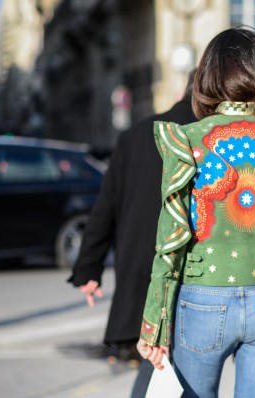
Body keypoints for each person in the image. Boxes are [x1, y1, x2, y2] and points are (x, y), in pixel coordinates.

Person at [135, 27, 255, 398]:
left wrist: (153, 323)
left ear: (208, 76)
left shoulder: (187, 140)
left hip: (205, 298)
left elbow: (171, 241)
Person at [68, 70, 198, 398]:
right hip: (191, 270)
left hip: (140, 268)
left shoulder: (137, 133)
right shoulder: (207, 135)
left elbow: (106, 204)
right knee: (177, 369)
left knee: (155, 362)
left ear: (179, 94)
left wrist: (89, 268)